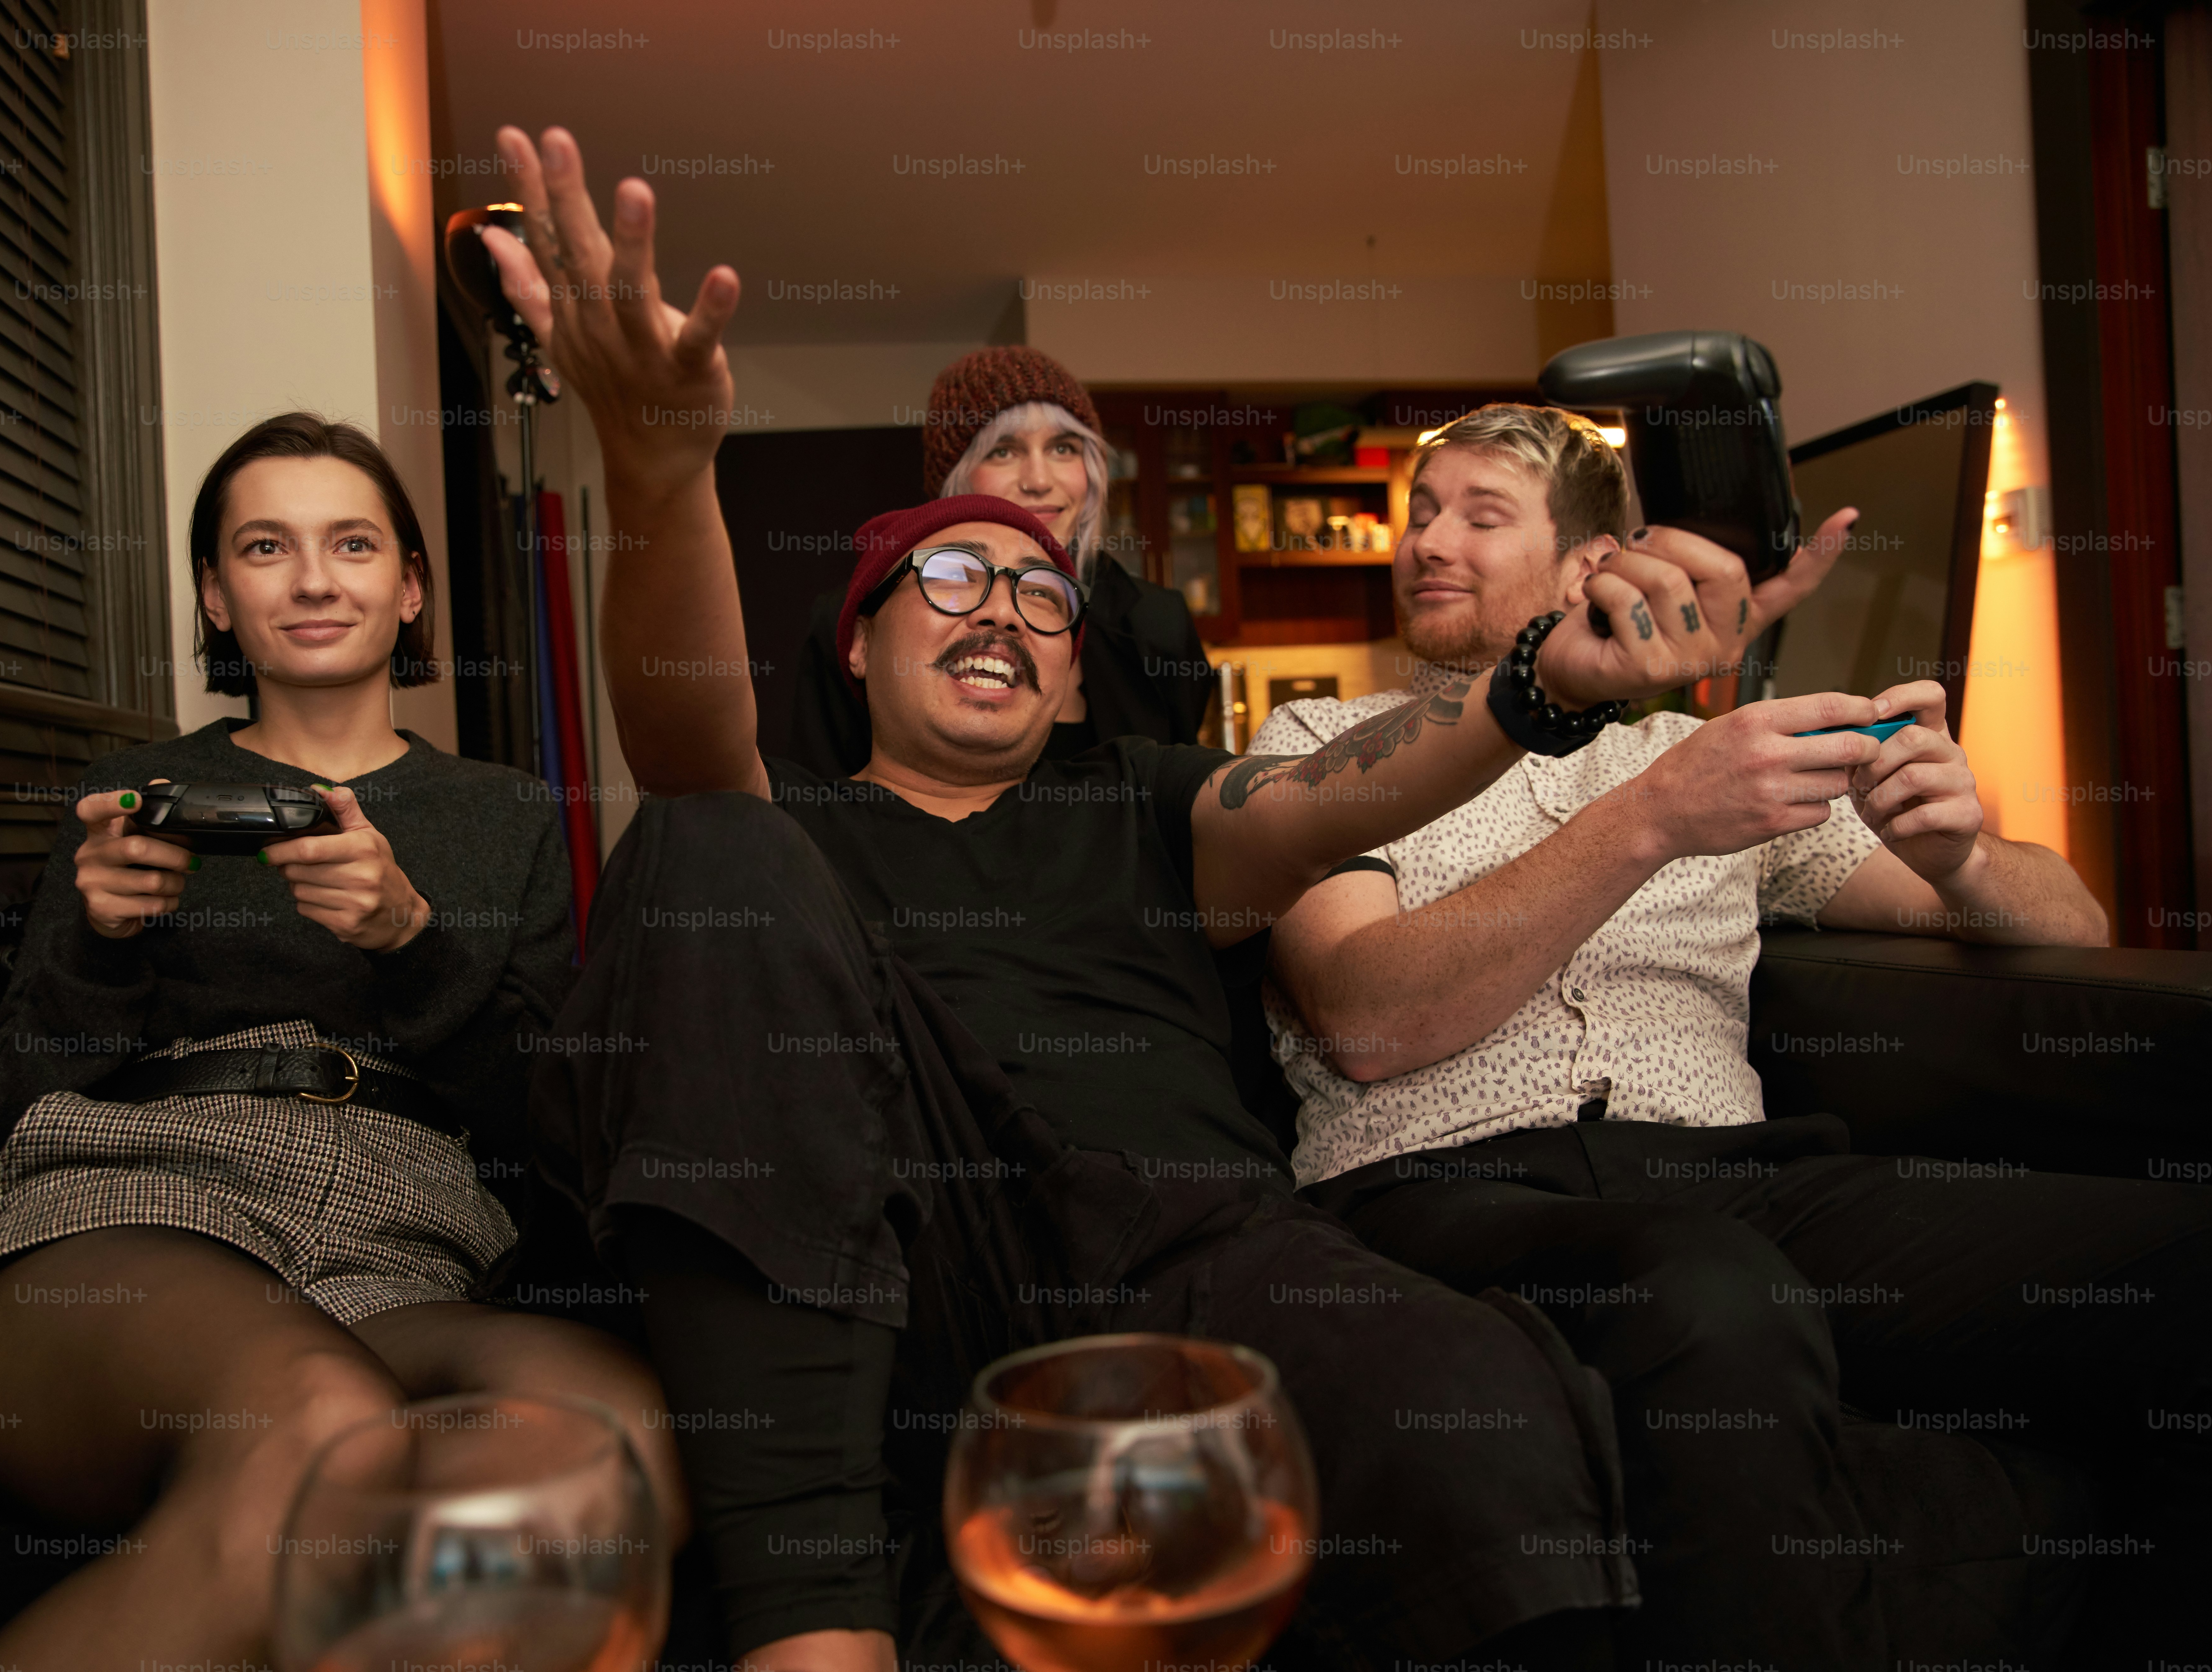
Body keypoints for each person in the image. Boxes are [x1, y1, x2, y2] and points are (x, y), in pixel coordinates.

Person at [474, 123, 1837, 1671]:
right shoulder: (786, 827)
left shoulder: (1144, 791)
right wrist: (659, 470)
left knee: (1464, 1383)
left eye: (1044, 596)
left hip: (1188, 1236)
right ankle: (816, 1628)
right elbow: (682, 730)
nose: (1002, 603)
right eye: (947, 579)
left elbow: (1343, 789)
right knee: (706, 847)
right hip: (907, 1240)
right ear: (855, 648)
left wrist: (1537, 684)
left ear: (1068, 680)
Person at [1251, 402, 2209, 1662]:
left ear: (1589, 564)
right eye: (1420, 514)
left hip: (1738, 1177)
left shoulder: (1708, 753)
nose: (1429, 541)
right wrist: (1649, 821)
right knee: (1707, 1293)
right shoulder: (1315, 744)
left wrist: (1962, 852)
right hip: (1443, 1186)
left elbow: (2070, 925)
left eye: (1480, 517)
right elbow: (1366, 1018)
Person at [0, 414, 685, 1668]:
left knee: (607, 1432)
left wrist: (414, 941)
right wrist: (98, 941)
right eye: (263, 546)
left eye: (351, 544)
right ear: (214, 594)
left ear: (408, 589)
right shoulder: (129, 790)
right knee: (315, 1419)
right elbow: (8, 1105)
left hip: (399, 1249)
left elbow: (553, 1137)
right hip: (138, 1216)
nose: (310, 579)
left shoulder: (506, 815)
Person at [785, 346, 1212, 775]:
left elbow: (1182, 803)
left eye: (1063, 448)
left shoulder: (1158, 625)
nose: (1040, 481)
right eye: (1003, 452)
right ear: (956, 478)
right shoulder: (862, 617)